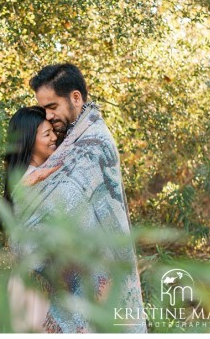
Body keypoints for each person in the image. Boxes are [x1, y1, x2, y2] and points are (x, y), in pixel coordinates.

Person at [9, 63, 146, 333]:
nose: (47, 116)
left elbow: (64, 202)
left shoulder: (93, 143)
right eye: (44, 108)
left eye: (52, 107)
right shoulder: (74, 138)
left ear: (75, 98)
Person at [3, 106, 57, 332]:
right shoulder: (28, 183)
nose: (55, 137)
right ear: (28, 142)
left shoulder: (36, 175)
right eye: (47, 134)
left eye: (53, 131)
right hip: (34, 284)